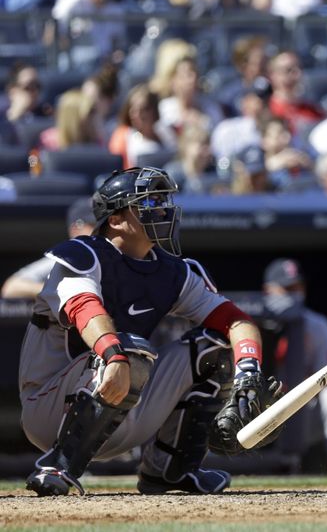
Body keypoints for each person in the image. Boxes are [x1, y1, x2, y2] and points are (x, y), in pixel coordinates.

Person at [19, 167, 284, 496]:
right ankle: (59, 464)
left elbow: (235, 321)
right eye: (148, 202)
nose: (163, 209)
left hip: (120, 402)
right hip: (49, 409)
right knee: (129, 349)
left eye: (163, 200)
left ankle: (169, 470)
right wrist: (113, 355)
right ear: (115, 219)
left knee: (214, 347)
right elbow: (84, 308)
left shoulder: (173, 272)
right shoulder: (84, 254)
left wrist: (248, 371)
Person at [263, 258, 327, 475]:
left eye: (297, 287)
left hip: (300, 413)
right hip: (258, 412)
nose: (294, 293)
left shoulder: (318, 325)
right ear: (268, 290)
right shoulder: (249, 323)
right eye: (287, 288)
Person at [1, 197, 96, 299]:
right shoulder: (66, 259)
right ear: (76, 228)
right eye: (94, 225)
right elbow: (12, 287)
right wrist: (61, 291)